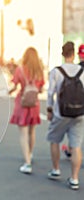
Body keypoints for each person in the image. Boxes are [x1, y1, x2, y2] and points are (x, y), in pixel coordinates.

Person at [46, 41, 84, 190]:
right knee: (76, 146)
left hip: (60, 113)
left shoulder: (56, 71)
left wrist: (49, 110)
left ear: (62, 54)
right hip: (80, 113)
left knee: (54, 140)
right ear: (74, 54)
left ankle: (56, 170)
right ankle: (74, 179)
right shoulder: (82, 71)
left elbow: (50, 93)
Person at [9, 47, 44, 174]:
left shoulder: (20, 69)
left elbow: (14, 85)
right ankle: (30, 154)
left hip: (22, 103)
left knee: (23, 134)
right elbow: (40, 89)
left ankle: (27, 163)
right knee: (32, 131)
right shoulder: (39, 71)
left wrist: (9, 91)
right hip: (34, 104)